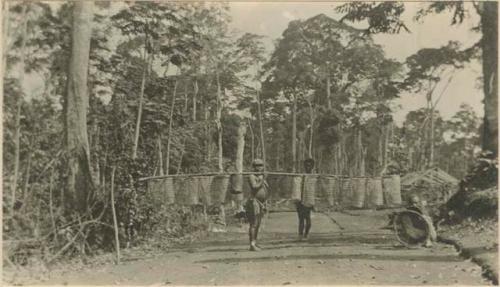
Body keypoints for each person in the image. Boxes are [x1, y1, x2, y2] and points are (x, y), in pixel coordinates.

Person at [245, 159, 268, 251]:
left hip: (261, 203)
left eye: (260, 165)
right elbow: (254, 187)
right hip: (253, 201)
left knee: (258, 224)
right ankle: (252, 244)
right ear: (253, 167)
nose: (259, 167)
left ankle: (255, 242)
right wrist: (262, 180)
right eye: (256, 166)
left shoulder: (262, 176)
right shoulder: (251, 176)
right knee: (254, 223)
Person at [296, 158, 315, 241]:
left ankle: (306, 234)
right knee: (301, 219)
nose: (308, 167)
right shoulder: (301, 176)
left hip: (309, 200)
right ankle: (300, 235)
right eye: (306, 165)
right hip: (300, 200)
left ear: (312, 167)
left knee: (308, 220)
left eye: (309, 166)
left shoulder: (314, 176)